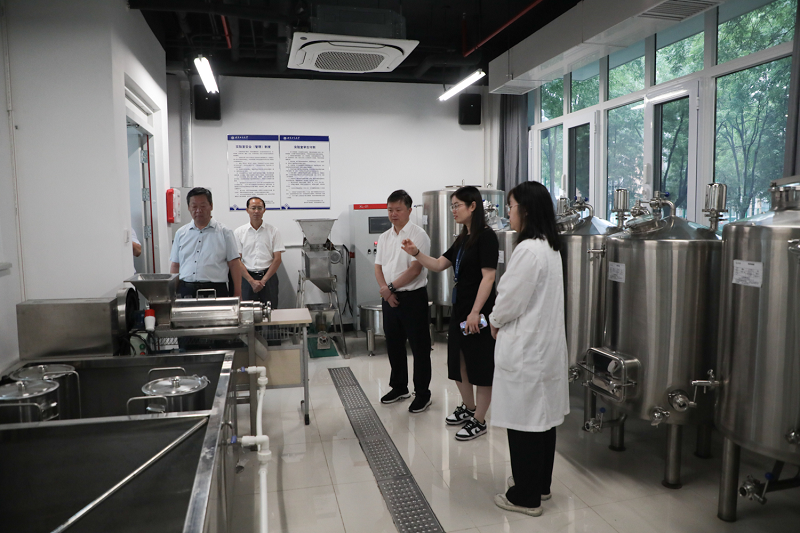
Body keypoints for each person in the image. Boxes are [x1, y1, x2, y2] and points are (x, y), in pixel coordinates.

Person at [488, 181, 569, 517]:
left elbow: (509, 300)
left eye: (510, 207)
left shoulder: (528, 250)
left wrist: (494, 320)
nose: (508, 213)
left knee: (524, 424)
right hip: (545, 347)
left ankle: (525, 496)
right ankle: (540, 484)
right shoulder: (550, 246)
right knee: (544, 420)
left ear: (525, 210)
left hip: (527, 349)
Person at [401, 186, 498, 440]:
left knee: (481, 366)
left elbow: (488, 277)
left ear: (473, 206)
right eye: (452, 206)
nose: (453, 210)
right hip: (461, 309)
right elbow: (437, 264)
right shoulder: (462, 238)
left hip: (478, 311)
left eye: (457, 205)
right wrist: (416, 253)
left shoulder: (486, 237)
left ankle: (480, 420)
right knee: (458, 361)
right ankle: (469, 407)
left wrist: (476, 312)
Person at [374, 190, 433, 413]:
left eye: (398, 209)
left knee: (419, 347)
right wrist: (387, 293)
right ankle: (399, 387)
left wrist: (390, 288)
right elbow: (378, 267)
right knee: (394, 344)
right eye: (390, 210)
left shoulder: (419, 235)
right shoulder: (385, 236)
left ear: (409, 210)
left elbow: (416, 269)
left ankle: (423, 394)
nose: (393, 214)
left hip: (413, 297)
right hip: (390, 298)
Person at [170, 187, 245, 299]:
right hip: (186, 290)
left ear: (211, 206)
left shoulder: (225, 232)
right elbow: (175, 265)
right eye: (194, 206)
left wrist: (238, 292)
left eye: (203, 206)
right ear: (189, 208)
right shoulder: (181, 233)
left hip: (215, 291)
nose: (198, 210)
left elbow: (234, 264)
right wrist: (171, 292)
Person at [234, 196, 285, 308]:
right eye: (253, 208)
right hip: (247, 278)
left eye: (259, 208)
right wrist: (251, 281)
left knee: (271, 312)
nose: (256, 211)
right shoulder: (239, 232)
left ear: (264, 210)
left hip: (268, 278)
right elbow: (237, 260)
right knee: (248, 313)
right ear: (247, 210)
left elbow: (277, 259)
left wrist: (263, 281)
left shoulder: (273, 231)